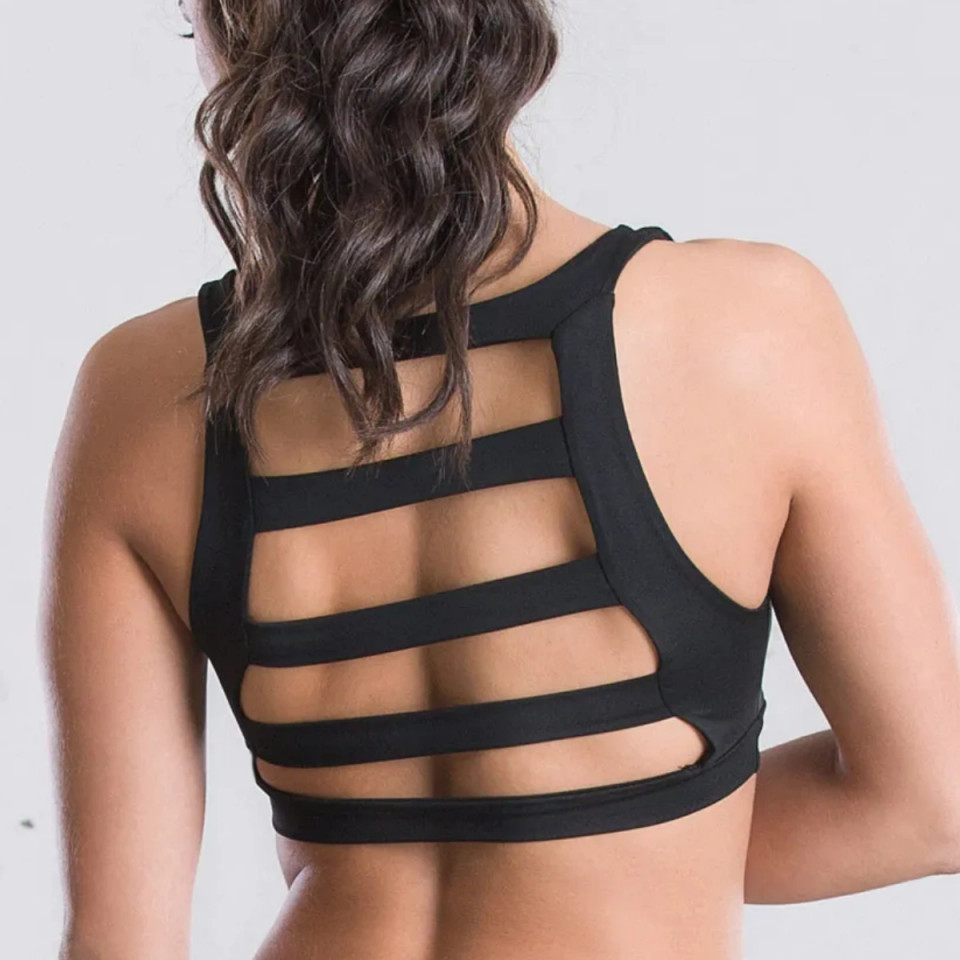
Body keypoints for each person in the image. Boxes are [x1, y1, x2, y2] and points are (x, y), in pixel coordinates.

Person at [42, 1, 960, 958]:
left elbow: (115, 945)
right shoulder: (741, 326)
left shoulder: (144, 390)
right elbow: (925, 807)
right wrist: (636, 842)